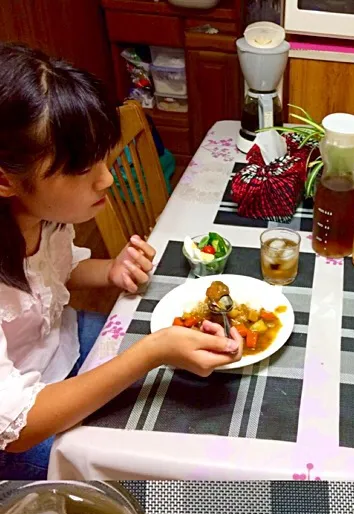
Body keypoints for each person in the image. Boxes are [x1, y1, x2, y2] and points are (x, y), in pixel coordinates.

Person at [0, 44, 242, 479]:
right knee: (156, 460)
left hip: (69, 346)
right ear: (5, 179)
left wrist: (109, 271)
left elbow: (55, 277)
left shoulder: (43, 216)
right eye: (81, 169)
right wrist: (152, 353)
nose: (106, 178)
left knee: (204, 391)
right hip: (26, 428)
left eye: (102, 157)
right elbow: (18, 429)